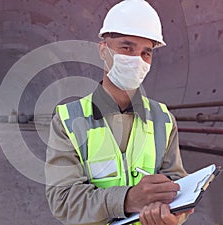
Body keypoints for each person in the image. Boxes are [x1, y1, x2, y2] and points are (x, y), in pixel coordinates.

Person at [45, 0, 194, 224]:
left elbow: (178, 187)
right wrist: (127, 200)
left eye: (146, 53)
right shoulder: (68, 120)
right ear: (103, 50)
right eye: (127, 48)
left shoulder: (164, 120)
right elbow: (63, 201)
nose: (137, 60)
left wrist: (176, 215)